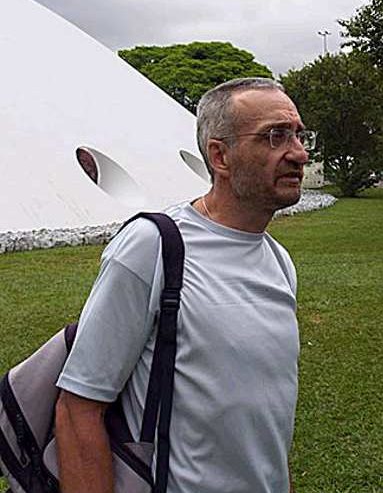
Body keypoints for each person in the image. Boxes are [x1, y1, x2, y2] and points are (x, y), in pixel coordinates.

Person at [55, 77, 314, 493]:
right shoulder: (153, 247)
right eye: (275, 136)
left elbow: (265, 424)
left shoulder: (278, 260)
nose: (298, 153)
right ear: (220, 156)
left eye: (299, 135)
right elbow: (78, 409)